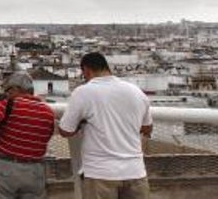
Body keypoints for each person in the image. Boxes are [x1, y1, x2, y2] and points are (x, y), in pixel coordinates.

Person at [58, 52, 153, 198]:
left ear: (86, 70)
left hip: (100, 173)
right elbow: (147, 128)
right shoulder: (136, 91)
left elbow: (65, 130)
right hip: (135, 171)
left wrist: (81, 123)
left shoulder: (83, 92)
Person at [0, 72, 56, 198]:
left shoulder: (9, 104)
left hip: (7, 168)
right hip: (35, 170)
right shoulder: (48, 112)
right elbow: (48, 135)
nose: (6, 94)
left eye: (7, 90)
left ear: (15, 89)